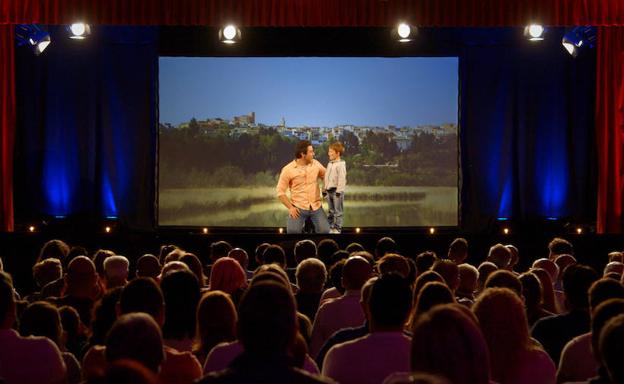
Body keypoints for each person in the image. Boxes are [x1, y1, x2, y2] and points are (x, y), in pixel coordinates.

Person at [276, 140, 330, 234]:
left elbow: (328, 175)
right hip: (298, 207)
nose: (313, 153)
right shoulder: (288, 169)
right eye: (311, 152)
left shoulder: (316, 164)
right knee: (293, 232)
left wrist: (325, 188)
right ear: (302, 154)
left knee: (325, 231)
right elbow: (280, 192)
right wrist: (291, 208)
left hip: (316, 206)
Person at [323, 141, 347, 234]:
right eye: (329, 151)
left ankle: (337, 228)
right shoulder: (330, 164)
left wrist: (339, 191)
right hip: (329, 190)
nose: (329, 153)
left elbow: (342, 179)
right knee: (331, 211)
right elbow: (326, 177)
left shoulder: (341, 164)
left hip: (336, 191)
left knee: (338, 211)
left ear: (337, 153)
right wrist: (324, 189)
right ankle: (330, 227)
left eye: (331, 151)